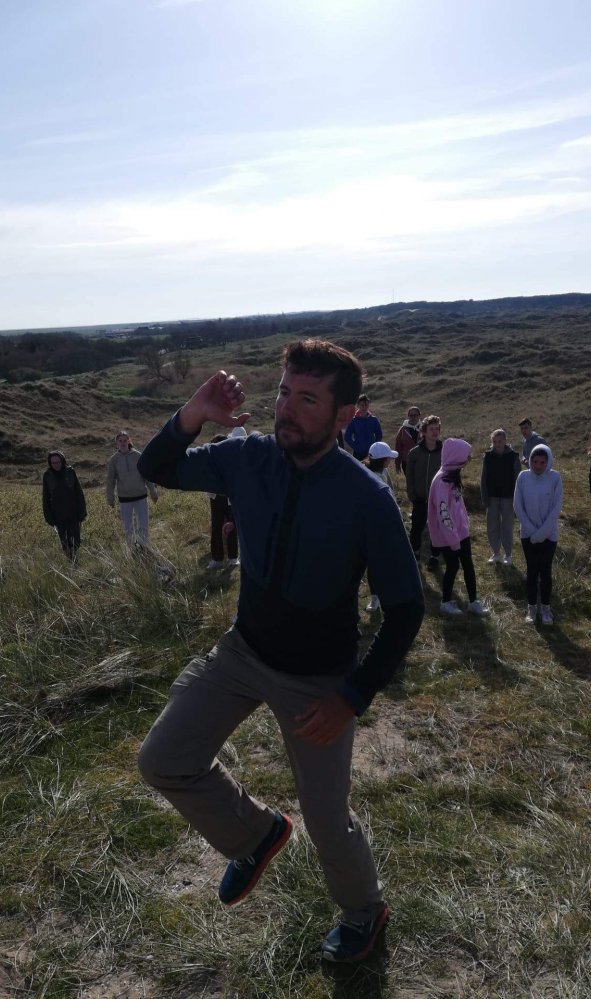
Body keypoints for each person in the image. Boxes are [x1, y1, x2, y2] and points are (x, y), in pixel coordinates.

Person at [136, 340, 424, 963]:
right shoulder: (247, 457)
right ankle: (257, 833)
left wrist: (351, 696)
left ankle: (363, 912)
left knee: (328, 823)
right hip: (243, 652)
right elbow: (157, 468)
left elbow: (406, 609)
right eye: (284, 393)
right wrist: (193, 412)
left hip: (317, 681)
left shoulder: (365, 498)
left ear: (344, 415)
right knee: (163, 759)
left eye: (308, 399)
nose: (287, 410)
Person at [427, 438, 489, 617]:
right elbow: (443, 512)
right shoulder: (441, 480)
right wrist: (453, 539)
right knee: (453, 566)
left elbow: (457, 503)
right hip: (449, 536)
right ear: (455, 458)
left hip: (461, 532)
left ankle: (473, 602)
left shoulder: (453, 474)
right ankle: (445, 602)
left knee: (468, 565)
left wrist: (464, 524)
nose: (468, 460)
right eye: (465, 457)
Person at [513, 444, 563, 625]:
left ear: (548, 461)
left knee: (546, 572)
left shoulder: (555, 478)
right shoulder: (523, 477)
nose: (538, 466)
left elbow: (556, 508)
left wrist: (542, 533)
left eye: (542, 462)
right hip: (528, 534)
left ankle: (546, 609)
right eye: (534, 462)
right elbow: (518, 506)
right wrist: (532, 531)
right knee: (532, 572)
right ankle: (532, 608)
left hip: (549, 535)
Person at [364, 440, 400, 612]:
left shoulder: (384, 472)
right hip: (373, 528)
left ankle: (386, 594)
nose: (391, 461)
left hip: (386, 526)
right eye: (389, 458)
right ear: (383, 460)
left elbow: (391, 494)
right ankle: (375, 597)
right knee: (373, 563)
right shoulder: (367, 477)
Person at [106, 430, 158, 548]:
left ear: (129, 441)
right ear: (116, 443)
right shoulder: (114, 460)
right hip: (125, 498)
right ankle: (132, 549)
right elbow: (110, 480)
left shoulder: (138, 456)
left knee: (143, 524)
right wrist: (110, 497)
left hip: (141, 496)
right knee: (128, 527)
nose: (123, 443)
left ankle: (144, 547)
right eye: (120, 441)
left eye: (125, 440)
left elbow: (146, 475)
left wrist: (153, 491)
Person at [405, 415, 444, 567]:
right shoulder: (414, 453)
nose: (435, 432)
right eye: (431, 429)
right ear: (424, 432)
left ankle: (435, 556)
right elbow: (410, 476)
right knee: (416, 528)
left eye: (437, 429)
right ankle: (415, 553)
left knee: (437, 528)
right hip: (420, 498)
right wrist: (412, 494)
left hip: (438, 498)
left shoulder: (444, 451)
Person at [480, 429, 520, 565]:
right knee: (492, 525)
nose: (497, 444)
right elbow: (483, 478)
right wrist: (484, 496)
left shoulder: (514, 456)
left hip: (509, 496)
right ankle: (495, 553)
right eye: (494, 441)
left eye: (500, 441)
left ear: (505, 441)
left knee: (507, 525)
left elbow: (517, 478)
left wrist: (517, 498)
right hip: (492, 496)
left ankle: (508, 554)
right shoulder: (487, 457)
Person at [206, 431, 243, 569]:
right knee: (216, 527)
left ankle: (233, 557)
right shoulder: (211, 460)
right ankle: (217, 559)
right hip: (216, 498)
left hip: (230, 497)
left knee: (232, 526)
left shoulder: (232, 459)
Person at [42, 450, 87, 561]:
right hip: (58, 514)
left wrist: (82, 511)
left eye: (58, 462)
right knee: (64, 541)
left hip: (73, 512)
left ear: (62, 461)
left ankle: (75, 557)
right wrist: (48, 517)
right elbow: (45, 498)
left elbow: (79, 492)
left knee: (76, 540)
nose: (56, 465)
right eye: (53, 463)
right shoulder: (47, 476)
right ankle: (69, 559)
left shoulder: (70, 472)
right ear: (50, 463)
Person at [344, 393, 382, 461]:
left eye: (366, 405)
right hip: (358, 454)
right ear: (358, 405)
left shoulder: (373, 419)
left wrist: (374, 447)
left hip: (371, 453)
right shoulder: (353, 420)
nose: (364, 407)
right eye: (362, 405)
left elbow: (379, 434)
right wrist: (356, 447)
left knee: (371, 471)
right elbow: (347, 436)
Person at [393, 406, 422, 473]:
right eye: (411, 415)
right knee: (410, 482)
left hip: (422, 461)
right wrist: (397, 464)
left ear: (419, 416)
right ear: (408, 416)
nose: (413, 417)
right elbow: (398, 447)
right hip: (407, 462)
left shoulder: (424, 428)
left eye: (415, 415)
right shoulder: (403, 430)